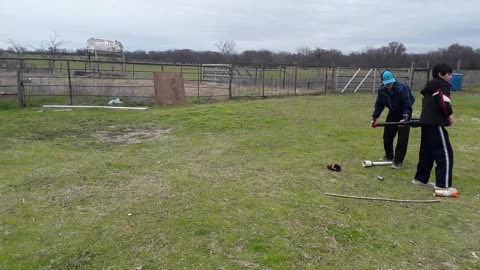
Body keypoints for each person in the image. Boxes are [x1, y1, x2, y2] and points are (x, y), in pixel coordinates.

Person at [412, 64, 456, 193]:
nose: (451, 77)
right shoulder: (443, 86)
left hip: (425, 123)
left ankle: (420, 179)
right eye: (449, 74)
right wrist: (449, 115)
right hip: (435, 124)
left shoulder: (429, 87)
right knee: (445, 154)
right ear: (441, 74)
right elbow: (444, 104)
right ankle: (443, 185)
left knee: (427, 152)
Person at [370, 70, 415, 169]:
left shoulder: (402, 88)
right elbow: (379, 105)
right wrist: (374, 118)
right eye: (386, 83)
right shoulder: (381, 91)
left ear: (393, 80)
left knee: (402, 138)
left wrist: (405, 117)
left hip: (404, 111)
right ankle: (389, 156)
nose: (389, 85)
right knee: (387, 135)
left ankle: (398, 162)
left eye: (390, 83)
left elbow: (407, 104)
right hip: (393, 112)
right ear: (382, 82)